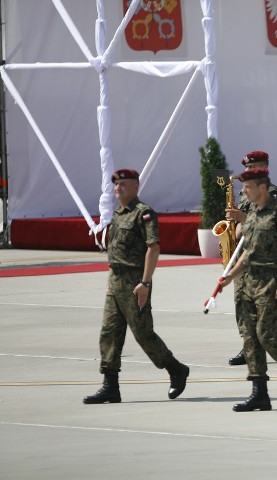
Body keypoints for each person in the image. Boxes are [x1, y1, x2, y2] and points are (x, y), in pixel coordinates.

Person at [83, 169, 189, 404]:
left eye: (123, 184)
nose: (118, 188)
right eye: (116, 184)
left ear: (135, 187)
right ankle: (110, 386)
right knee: (109, 332)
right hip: (115, 280)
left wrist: (145, 282)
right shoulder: (118, 214)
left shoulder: (143, 213)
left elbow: (153, 247)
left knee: (143, 333)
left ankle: (175, 369)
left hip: (134, 282)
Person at [217, 167, 277, 411]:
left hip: (272, 282)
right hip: (250, 281)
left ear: (262, 188)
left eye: (248, 187)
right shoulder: (252, 214)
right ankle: (259, 392)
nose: (244, 191)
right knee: (250, 338)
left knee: (267, 335)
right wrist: (230, 275)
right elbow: (248, 251)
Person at [225, 151, 277, 367]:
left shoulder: (273, 194)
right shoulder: (245, 194)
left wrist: (243, 218)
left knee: (265, 312)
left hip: (267, 260)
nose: (247, 173)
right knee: (243, 302)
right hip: (245, 254)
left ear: (263, 168)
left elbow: (269, 225)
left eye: (252, 168)